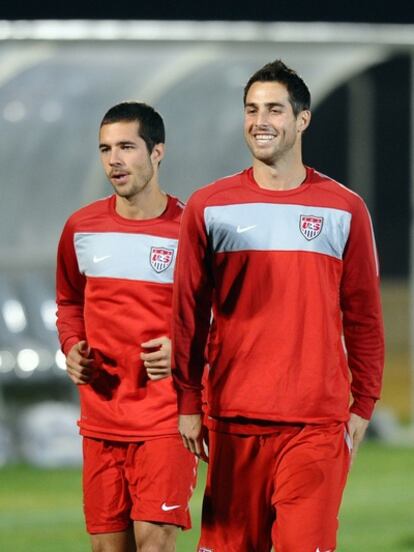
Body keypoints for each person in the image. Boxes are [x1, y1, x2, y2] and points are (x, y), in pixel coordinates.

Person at [172, 60, 384, 551]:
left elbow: (364, 315)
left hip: (315, 422)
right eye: (251, 109)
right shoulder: (210, 205)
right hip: (233, 418)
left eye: (273, 109)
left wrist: (365, 401)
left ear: (302, 120)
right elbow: (188, 313)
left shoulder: (343, 208)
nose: (260, 120)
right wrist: (187, 403)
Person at [56, 102, 197, 552]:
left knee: (153, 543)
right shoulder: (81, 227)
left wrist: (181, 349)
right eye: (105, 149)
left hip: (165, 419)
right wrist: (72, 345)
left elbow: (220, 318)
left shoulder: (190, 229)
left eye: (126, 147)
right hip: (100, 419)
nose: (113, 159)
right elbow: (69, 302)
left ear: (157, 152)